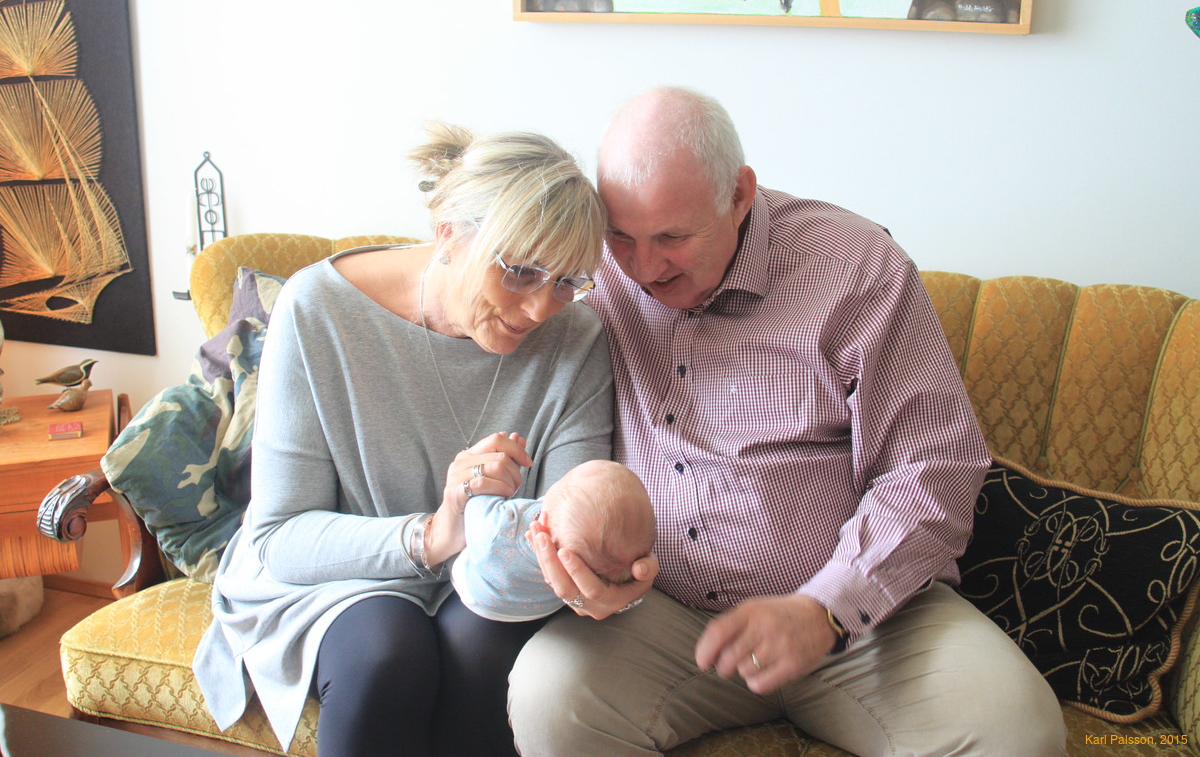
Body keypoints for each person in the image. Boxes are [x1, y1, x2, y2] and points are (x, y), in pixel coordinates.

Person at [508, 87, 1068, 756]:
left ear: (740, 193)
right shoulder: (594, 268)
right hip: (663, 615)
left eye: (674, 238)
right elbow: (476, 273)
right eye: (623, 236)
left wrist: (826, 608)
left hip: (859, 624)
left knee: (1017, 730)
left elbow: (933, 468)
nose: (646, 268)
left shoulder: (856, 268)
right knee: (549, 696)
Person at [192, 122, 616, 757]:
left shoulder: (578, 339)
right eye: (521, 272)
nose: (541, 309)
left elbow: (564, 523)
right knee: (387, 654)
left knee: (483, 645)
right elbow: (281, 538)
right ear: (448, 232)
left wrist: (594, 558)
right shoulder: (319, 311)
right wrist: (437, 531)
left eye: (566, 281)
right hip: (337, 573)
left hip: (493, 575)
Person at [452, 458, 656, 621]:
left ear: (542, 524)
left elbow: (474, 508)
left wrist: (493, 475)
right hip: (541, 609)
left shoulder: (503, 527)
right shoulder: (601, 564)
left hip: (478, 596)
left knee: (459, 560)